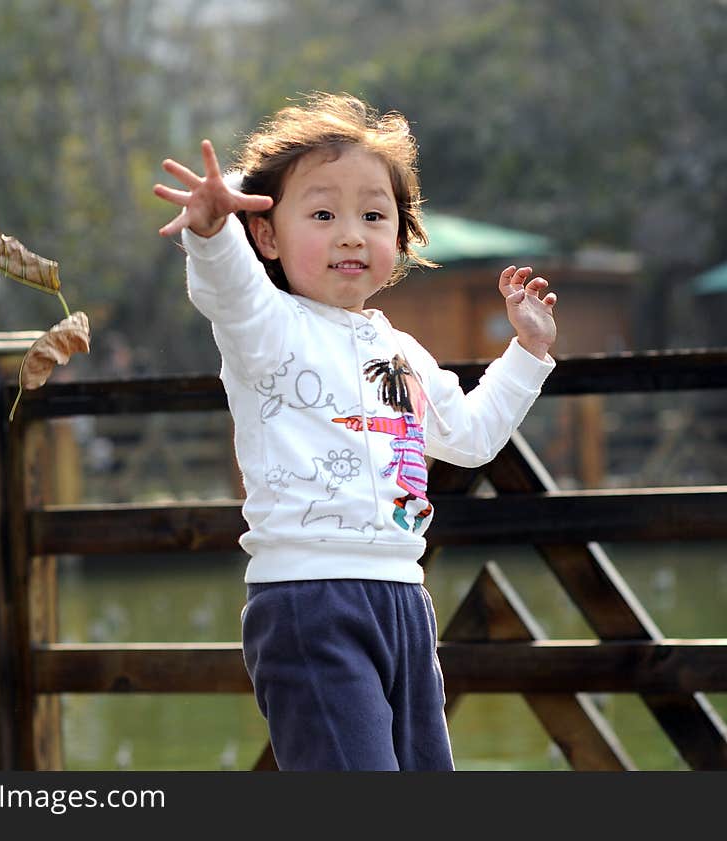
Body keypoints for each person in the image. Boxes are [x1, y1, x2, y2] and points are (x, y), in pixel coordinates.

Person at [153, 93, 557, 770]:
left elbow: (471, 437)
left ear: (399, 238)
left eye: (374, 215)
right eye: (322, 213)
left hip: (403, 597)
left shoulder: (401, 351)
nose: (350, 233)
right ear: (269, 235)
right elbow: (227, 290)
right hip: (309, 602)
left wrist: (528, 353)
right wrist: (213, 231)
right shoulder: (267, 327)